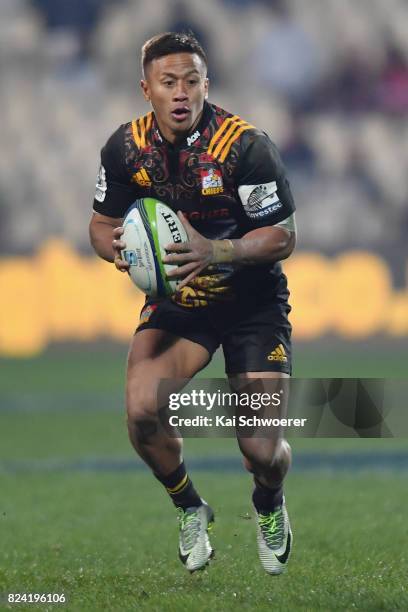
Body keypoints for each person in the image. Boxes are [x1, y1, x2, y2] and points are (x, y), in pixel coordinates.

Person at [89, 31, 296, 575]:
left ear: (207, 85)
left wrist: (217, 249)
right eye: (168, 82)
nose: (180, 93)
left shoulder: (244, 146)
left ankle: (269, 502)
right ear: (146, 89)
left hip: (253, 303)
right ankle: (189, 506)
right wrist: (113, 248)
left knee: (261, 452)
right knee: (139, 409)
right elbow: (101, 222)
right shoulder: (125, 148)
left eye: (191, 81)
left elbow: (282, 236)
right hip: (182, 301)